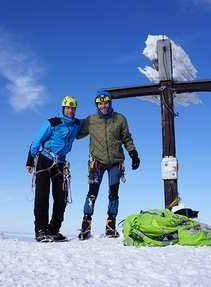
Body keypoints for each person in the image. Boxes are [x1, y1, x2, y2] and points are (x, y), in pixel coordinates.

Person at [76, 90, 140, 240]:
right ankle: (86, 224)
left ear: (110, 103)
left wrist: (133, 153)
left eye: (106, 103)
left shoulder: (120, 119)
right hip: (97, 162)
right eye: (100, 104)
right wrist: (67, 127)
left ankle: (111, 225)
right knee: (92, 193)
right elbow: (77, 134)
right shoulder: (91, 120)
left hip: (115, 162)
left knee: (113, 194)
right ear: (96, 105)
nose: (103, 106)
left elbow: (126, 138)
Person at [26, 96, 84, 242]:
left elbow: (91, 121)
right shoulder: (52, 123)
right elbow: (37, 140)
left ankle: (53, 230)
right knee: (42, 196)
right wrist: (30, 160)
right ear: (63, 108)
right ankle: (40, 230)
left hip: (61, 164)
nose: (70, 111)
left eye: (73, 108)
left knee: (61, 199)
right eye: (68, 108)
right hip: (44, 160)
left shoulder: (76, 124)